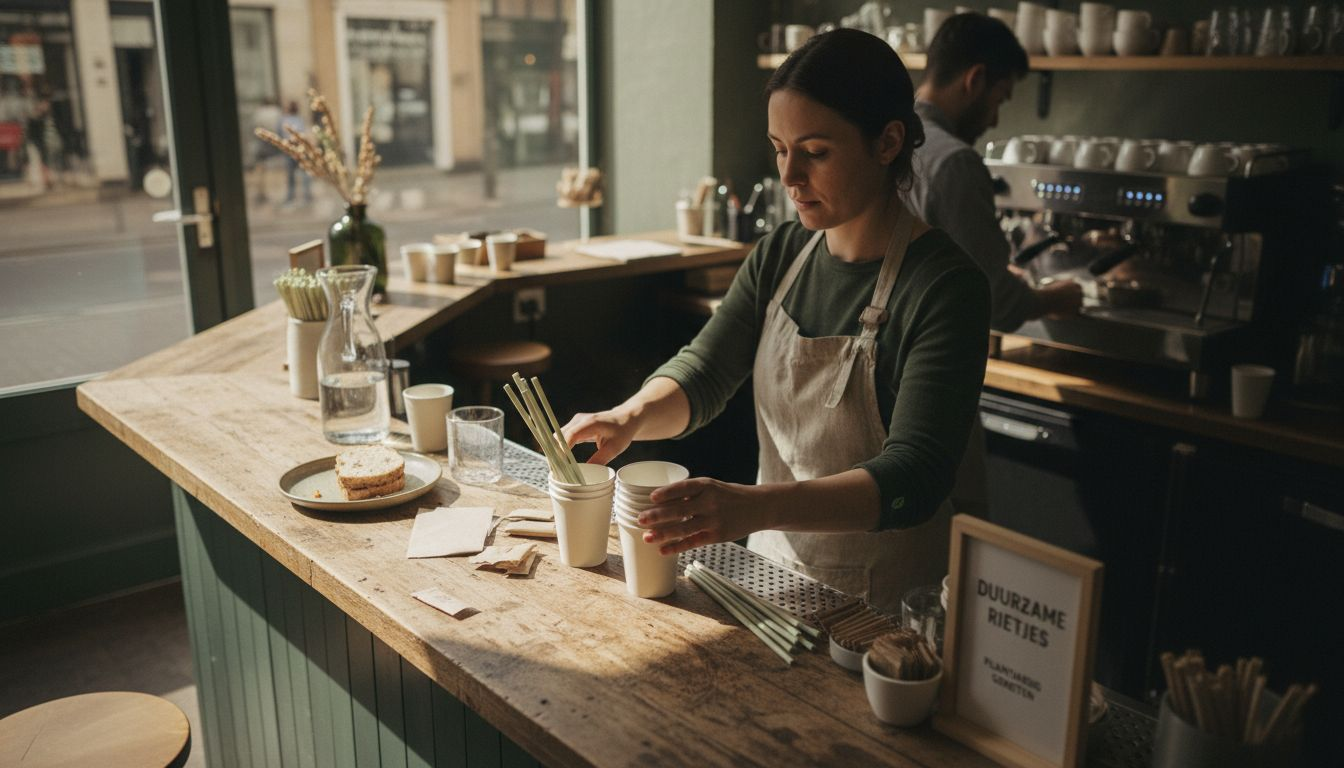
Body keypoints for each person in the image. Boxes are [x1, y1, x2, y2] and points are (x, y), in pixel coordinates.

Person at [562, 29, 990, 614]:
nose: (790, 176)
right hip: (770, 576)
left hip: (886, 611)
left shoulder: (945, 287)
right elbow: (706, 372)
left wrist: (753, 506)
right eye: (780, 149)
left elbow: (914, 480)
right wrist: (629, 416)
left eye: (815, 152)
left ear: (888, 142)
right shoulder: (782, 254)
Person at [907, 13, 1082, 333]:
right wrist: (1052, 299)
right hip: (926, 346)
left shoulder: (889, 137)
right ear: (975, 80)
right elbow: (993, 301)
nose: (995, 121)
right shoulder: (956, 162)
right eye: (999, 99)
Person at [279, 100, 311, 205]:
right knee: (298, 174)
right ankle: (303, 195)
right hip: (295, 149)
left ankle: (295, 196)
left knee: (293, 175)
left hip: (293, 149)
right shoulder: (298, 120)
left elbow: (281, 133)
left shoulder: (286, 120)